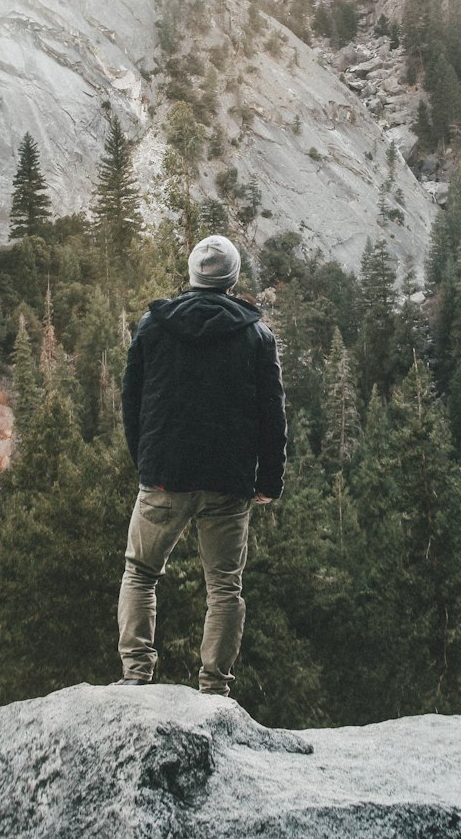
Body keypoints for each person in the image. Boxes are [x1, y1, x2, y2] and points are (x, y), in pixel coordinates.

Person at [115, 234, 286, 696]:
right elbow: (272, 416)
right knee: (224, 588)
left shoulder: (154, 325)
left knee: (140, 572)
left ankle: (135, 674)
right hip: (228, 483)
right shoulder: (255, 335)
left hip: (165, 477)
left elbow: (131, 402)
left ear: (191, 276)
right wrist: (268, 481)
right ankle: (214, 688)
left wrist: (146, 464)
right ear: (231, 281)